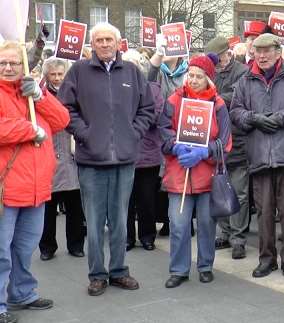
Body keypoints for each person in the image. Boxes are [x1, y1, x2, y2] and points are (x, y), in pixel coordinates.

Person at [57, 22, 155, 296]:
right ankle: (97, 274)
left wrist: (133, 132)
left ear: (118, 42)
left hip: (124, 160)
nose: (104, 44)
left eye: (108, 40)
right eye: (99, 40)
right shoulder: (78, 72)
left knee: (121, 219)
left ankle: (119, 271)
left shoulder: (133, 72)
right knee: (96, 221)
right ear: (92, 44)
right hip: (92, 161)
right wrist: (84, 133)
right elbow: (65, 108)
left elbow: (147, 108)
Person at [231, 33, 284, 278]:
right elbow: (235, 111)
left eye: (267, 50)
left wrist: (280, 118)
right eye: (258, 51)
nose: (262, 55)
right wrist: (253, 118)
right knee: (264, 211)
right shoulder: (246, 80)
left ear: (278, 52)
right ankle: (266, 259)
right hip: (259, 156)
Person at [0, 41, 70, 323]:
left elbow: (62, 119)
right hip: (6, 190)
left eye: (14, 63)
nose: (8, 68)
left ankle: (22, 293)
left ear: (24, 65)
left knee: (24, 248)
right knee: (1, 251)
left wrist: (41, 96)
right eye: (2, 63)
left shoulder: (31, 92)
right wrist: (29, 129)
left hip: (37, 189)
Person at [160, 55, 231, 288]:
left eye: (199, 76)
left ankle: (205, 266)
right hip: (179, 174)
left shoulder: (218, 105)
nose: (194, 79)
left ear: (209, 79)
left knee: (206, 225)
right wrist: (175, 146)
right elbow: (162, 131)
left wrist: (205, 152)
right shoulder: (173, 100)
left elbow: (225, 141)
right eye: (191, 75)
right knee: (179, 225)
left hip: (207, 176)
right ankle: (179, 270)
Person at [205, 36, 250, 259]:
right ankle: (225, 232)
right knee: (218, 188)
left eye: (218, 57)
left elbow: (236, 96)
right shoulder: (210, 71)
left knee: (239, 192)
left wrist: (210, 97)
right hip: (215, 141)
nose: (216, 62)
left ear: (227, 53)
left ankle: (239, 239)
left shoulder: (241, 71)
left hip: (238, 139)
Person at [38, 57, 86, 261]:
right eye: (53, 74)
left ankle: (76, 244)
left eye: (60, 74)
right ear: (47, 75)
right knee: (48, 209)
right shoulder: (40, 95)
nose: (57, 78)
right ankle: (47, 247)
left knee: (76, 206)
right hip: (49, 155)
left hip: (72, 154)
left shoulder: (76, 93)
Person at [123, 50, 164, 252]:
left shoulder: (153, 89)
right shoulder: (116, 88)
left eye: (135, 64)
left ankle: (147, 236)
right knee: (125, 201)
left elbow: (156, 116)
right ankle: (127, 237)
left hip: (148, 154)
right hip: (123, 154)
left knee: (147, 199)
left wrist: (133, 117)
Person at [148, 40, 189, 236]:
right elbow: (148, 79)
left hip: (185, 128)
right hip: (161, 129)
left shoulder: (188, 72)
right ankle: (166, 220)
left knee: (183, 174)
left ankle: (184, 222)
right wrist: (159, 54)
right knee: (164, 177)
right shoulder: (159, 71)